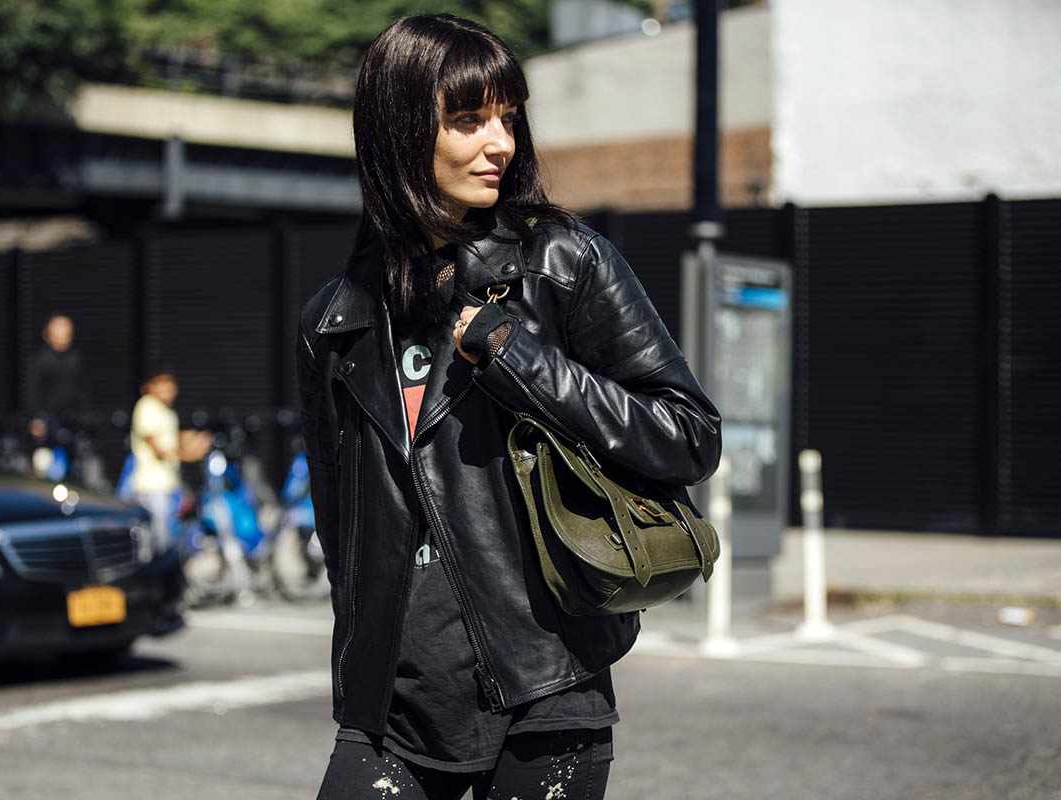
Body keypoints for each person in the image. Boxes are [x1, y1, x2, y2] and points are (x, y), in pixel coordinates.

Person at [297, 14, 721, 800]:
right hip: (393, 703)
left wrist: (516, 357)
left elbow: (688, 435)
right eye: (468, 119)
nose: (501, 143)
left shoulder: (561, 263)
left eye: (508, 117)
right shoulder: (337, 321)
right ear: (396, 129)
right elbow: (340, 522)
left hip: (544, 688)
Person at [128, 366, 212, 554]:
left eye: (170, 384)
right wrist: (191, 454)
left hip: (168, 487)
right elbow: (158, 447)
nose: (168, 389)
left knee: (169, 540)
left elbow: (173, 438)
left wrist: (195, 439)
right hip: (151, 488)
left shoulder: (167, 411)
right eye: (162, 384)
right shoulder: (147, 406)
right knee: (157, 543)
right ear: (149, 386)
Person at [26, 313, 86, 445]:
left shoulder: (76, 358)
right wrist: (37, 418)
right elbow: (34, 391)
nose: (63, 332)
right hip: (48, 420)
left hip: (73, 420)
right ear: (48, 333)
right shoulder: (41, 360)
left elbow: (82, 391)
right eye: (59, 328)